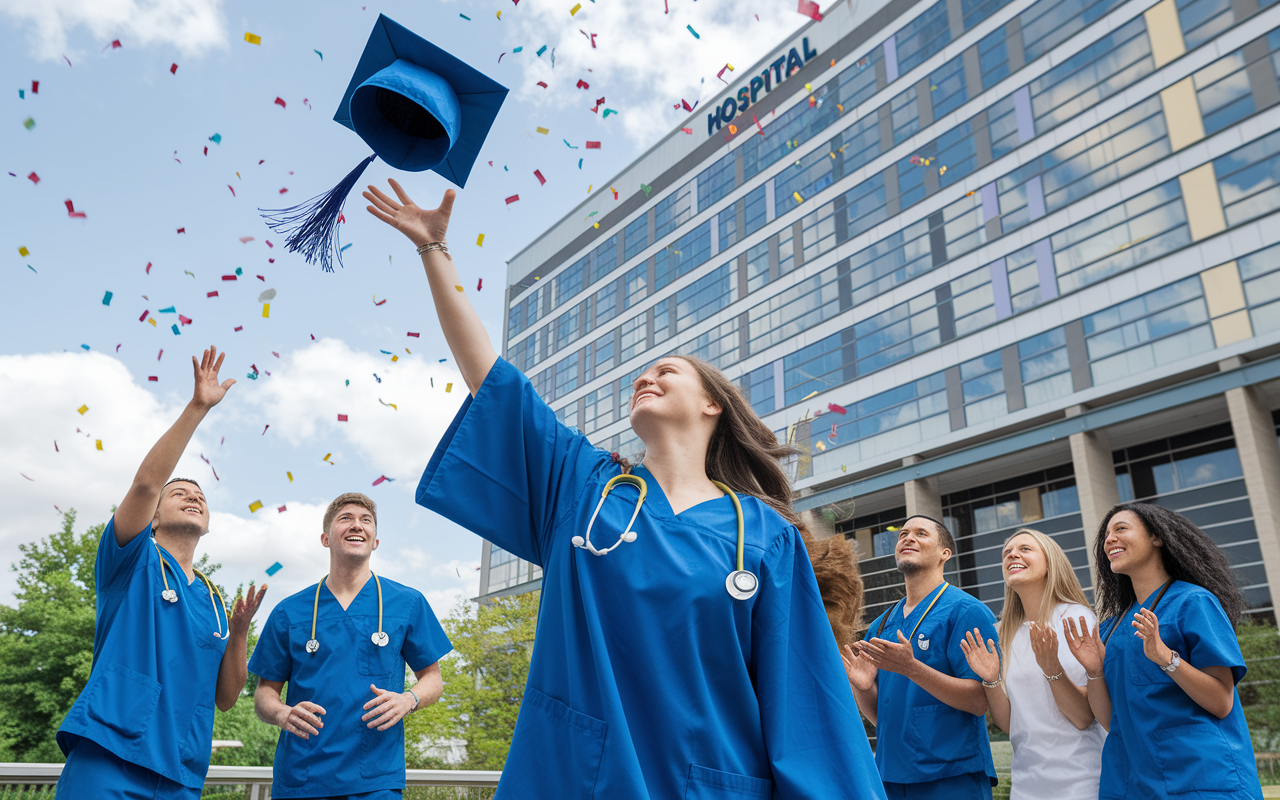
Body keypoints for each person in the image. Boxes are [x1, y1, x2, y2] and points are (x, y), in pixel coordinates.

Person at [364, 179, 884, 800]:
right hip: (577, 779)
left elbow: (804, 706)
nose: (646, 376)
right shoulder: (583, 488)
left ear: (713, 405)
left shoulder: (765, 537)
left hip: (709, 786)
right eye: (642, 372)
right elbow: (494, 381)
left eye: (667, 371)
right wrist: (435, 252)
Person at [55, 346, 266, 799]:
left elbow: (226, 698)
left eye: (201, 496)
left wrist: (240, 632)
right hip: (108, 758)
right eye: (181, 493)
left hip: (179, 775)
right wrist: (198, 408)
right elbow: (148, 483)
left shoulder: (212, 599)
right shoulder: (130, 560)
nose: (193, 496)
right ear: (152, 516)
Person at [250, 492, 451, 800]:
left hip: (375, 779)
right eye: (345, 519)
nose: (357, 525)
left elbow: (433, 679)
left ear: (375, 542)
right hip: (301, 779)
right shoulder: (289, 611)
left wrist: (408, 699)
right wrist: (280, 714)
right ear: (325, 538)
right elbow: (264, 692)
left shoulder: (408, 603)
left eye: (365, 520)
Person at [1063, 503, 1264, 800]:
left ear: (1156, 537)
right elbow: (1111, 719)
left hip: (1198, 775)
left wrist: (1167, 659)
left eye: (1120, 529)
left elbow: (1222, 701)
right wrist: (1094, 671)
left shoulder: (1193, 602)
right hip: (1131, 779)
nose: (1109, 540)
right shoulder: (1110, 629)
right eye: (1105, 534)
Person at [842, 515, 999, 799]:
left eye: (921, 533)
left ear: (944, 554)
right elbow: (884, 718)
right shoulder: (881, 625)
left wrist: (912, 668)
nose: (908, 538)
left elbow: (979, 702)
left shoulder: (966, 612)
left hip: (951, 776)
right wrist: (863, 687)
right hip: (890, 776)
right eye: (903, 534)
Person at [959, 528, 1105, 800]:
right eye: (1007, 552)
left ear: (1050, 563)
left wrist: (1053, 670)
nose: (1012, 554)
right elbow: (1009, 723)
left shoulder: (1075, 618)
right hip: (1027, 784)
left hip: (1082, 780)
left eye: (1025, 549)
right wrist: (990, 679)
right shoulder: (1005, 634)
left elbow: (1085, 717)